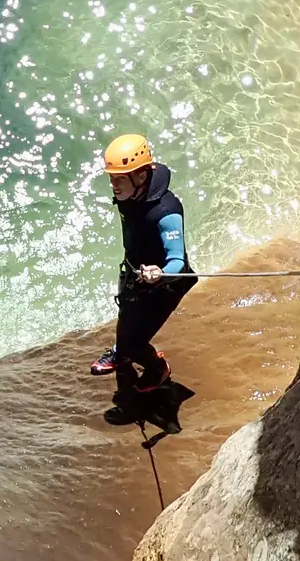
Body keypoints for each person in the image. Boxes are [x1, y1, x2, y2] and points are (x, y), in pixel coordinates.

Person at [88, 134, 196, 414]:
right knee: (125, 323)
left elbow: (177, 261)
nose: (114, 185)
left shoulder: (167, 210)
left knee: (136, 342)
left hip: (165, 284)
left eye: (120, 178)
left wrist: (160, 273)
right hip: (136, 275)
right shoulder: (130, 194)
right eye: (112, 178)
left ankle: (156, 367)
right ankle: (121, 350)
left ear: (141, 175)